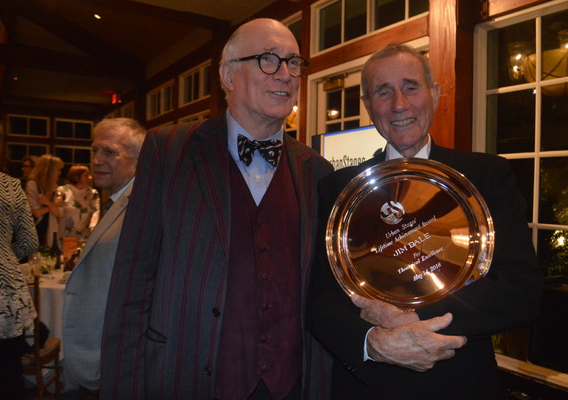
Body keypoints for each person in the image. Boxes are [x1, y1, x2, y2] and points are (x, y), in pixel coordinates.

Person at [100, 18, 334, 400]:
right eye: (269, 59)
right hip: (187, 376)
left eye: (294, 63)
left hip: (291, 385)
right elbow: (131, 286)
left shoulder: (317, 171)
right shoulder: (168, 151)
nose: (286, 74)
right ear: (227, 75)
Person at [306, 43, 543, 399]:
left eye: (411, 86)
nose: (399, 104)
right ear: (369, 106)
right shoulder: (339, 189)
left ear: (433, 94)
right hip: (370, 386)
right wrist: (375, 341)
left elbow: (521, 290)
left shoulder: (488, 176)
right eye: (383, 92)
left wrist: (413, 319)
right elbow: (321, 297)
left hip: (459, 383)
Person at [62, 118, 146, 396]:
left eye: (109, 152)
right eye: (95, 150)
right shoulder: (116, 201)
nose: (96, 160)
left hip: (120, 357)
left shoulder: (143, 206)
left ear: (138, 158)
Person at [0, 115, 39, 400]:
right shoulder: (10, 186)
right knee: (7, 374)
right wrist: (2, 256)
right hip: (4, 291)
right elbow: (30, 243)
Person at [24, 154, 64, 246]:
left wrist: (48, 203)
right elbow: (36, 213)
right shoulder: (32, 185)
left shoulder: (55, 187)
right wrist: (52, 205)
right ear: (49, 171)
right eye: (57, 170)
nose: (59, 173)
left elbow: (59, 214)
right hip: (33, 233)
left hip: (49, 231)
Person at [57, 165, 100, 241]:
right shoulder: (63, 191)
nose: (90, 178)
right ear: (76, 178)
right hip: (65, 235)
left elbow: (96, 211)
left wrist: (93, 226)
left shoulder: (92, 194)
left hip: (84, 236)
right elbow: (57, 212)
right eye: (86, 175)